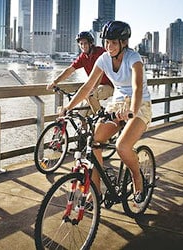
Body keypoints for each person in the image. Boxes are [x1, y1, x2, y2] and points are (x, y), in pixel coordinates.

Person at [59, 21, 152, 204]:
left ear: (123, 42)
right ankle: (96, 192)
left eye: (113, 42)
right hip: (116, 104)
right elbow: (88, 87)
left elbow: (137, 88)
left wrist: (131, 111)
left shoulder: (134, 58)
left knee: (122, 146)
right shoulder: (103, 59)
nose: (109, 47)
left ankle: (137, 179)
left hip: (139, 104)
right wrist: (68, 108)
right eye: (106, 42)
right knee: (94, 142)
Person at [47, 31, 114, 115]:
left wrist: (94, 87)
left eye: (85, 43)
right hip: (95, 87)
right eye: (81, 44)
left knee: (90, 95)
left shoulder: (100, 52)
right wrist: (54, 82)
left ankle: (102, 121)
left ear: (91, 43)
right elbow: (70, 70)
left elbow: (100, 73)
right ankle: (85, 125)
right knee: (81, 114)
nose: (83, 46)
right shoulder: (82, 57)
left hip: (110, 85)